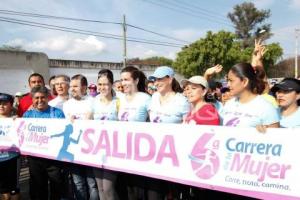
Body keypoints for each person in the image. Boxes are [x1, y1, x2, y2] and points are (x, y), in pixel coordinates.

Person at [148, 66, 190, 199]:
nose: (156, 82)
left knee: (173, 195)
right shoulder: (153, 97)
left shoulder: (181, 100)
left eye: (160, 79)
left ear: (170, 79)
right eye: (155, 79)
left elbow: (188, 127)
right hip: (153, 156)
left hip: (174, 159)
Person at [23, 86, 65, 200]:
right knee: (37, 187)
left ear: (48, 98)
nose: (40, 100)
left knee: (56, 185)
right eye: (36, 98)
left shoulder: (57, 113)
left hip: (53, 158)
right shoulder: (28, 115)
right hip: (35, 158)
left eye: (43, 97)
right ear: (32, 99)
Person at [62, 74, 99, 200]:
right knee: (78, 183)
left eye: (75, 86)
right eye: (71, 86)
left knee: (92, 184)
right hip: (74, 150)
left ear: (84, 87)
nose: (72, 89)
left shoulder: (94, 102)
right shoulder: (66, 104)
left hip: (91, 150)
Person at [118, 66, 151, 200]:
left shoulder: (146, 98)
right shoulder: (119, 99)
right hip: (122, 151)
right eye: (121, 80)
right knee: (126, 189)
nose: (123, 83)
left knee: (138, 191)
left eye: (126, 79)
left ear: (136, 81)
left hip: (140, 152)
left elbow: (154, 123)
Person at [221, 63, 279, 128]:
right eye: (227, 80)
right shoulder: (228, 104)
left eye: (231, 81)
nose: (228, 85)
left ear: (245, 81)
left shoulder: (267, 108)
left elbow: (274, 136)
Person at [92, 69, 119, 200]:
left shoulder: (119, 101)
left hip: (114, 150)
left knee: (109, 188)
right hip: (96, 149)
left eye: (106, 84)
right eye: (100, 84)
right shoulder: (93, 101)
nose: (102, 87)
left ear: (112, 84)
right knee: (100, 188)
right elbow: (87, 120)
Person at [0, 93, 20, 200]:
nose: (1, 106)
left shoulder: (17, 120)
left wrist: (19, 122)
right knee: (3, 191)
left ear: (11, 105)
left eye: (4, 104)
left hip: (12, 158)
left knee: (14, 189)